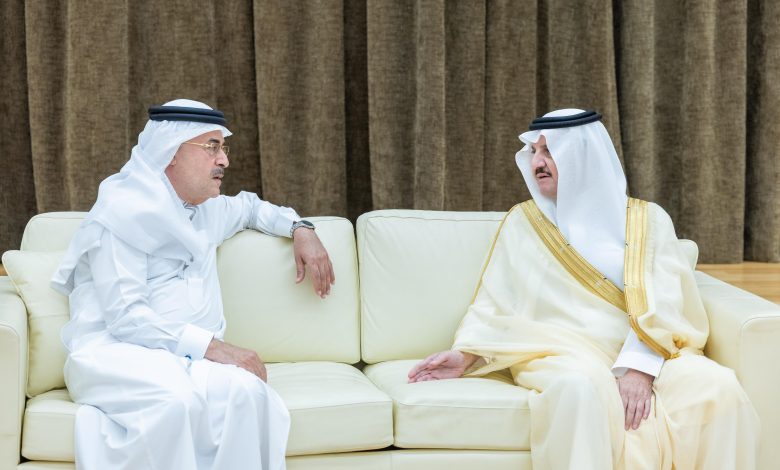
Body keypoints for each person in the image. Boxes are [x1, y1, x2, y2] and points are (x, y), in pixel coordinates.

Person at [408, 109, 759, 469]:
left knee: (717, 387)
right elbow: (495, 303)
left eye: (549, 152)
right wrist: (466, 355)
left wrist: (639, 369)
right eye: (534, 152)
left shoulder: (648, 219)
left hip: (651, 351)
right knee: (581, 387)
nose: (537, 163)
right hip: (559, 352)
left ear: (582, 156)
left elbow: (667, 301)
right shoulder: (524, 224)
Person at [51, 99, 335, 470]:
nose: (224, 160)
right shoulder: (121, 213)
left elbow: (252, 209)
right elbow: (126, 318)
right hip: (116, 354)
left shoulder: (207, 210)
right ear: (170, 152)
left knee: (247, 393)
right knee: (175, 402)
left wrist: (302, 229)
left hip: (184, 358)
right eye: (212, 147)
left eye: (224, 148)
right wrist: (215, 348)